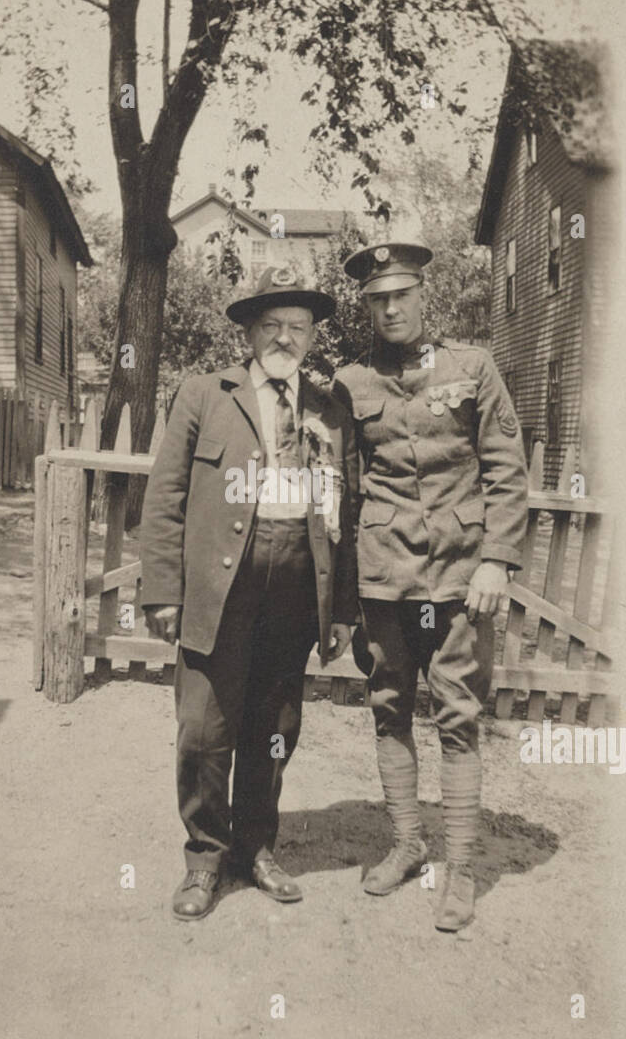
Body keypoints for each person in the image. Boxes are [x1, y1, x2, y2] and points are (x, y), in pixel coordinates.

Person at [139, 264, 358, 921]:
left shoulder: (329, 408)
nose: (284, 337)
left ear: (314, 335)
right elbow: (166, 497)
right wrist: (162, 590)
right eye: (271, 324)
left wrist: (341, 608)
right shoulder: (206, 394)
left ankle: (256, 848)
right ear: (249, 330)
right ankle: (205, 860)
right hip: (219, 583)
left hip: (295, 582)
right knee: (203, 728)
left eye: (297, 325)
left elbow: (348, 509)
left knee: (275, 727)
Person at [332, 240, 528, 931]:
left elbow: (506, 469)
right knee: (388, 709)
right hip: (386, 577)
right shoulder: (350, 384)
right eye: (377, 299)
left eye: (401, 295)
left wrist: (496, 559)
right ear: (366, 306)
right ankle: (408, 844)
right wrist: (345, 594)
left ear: (423, 296)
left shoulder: (472, 368)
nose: (390, 308)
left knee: (459, 717)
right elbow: (346, 490)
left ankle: (462, 869)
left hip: (458, 579)